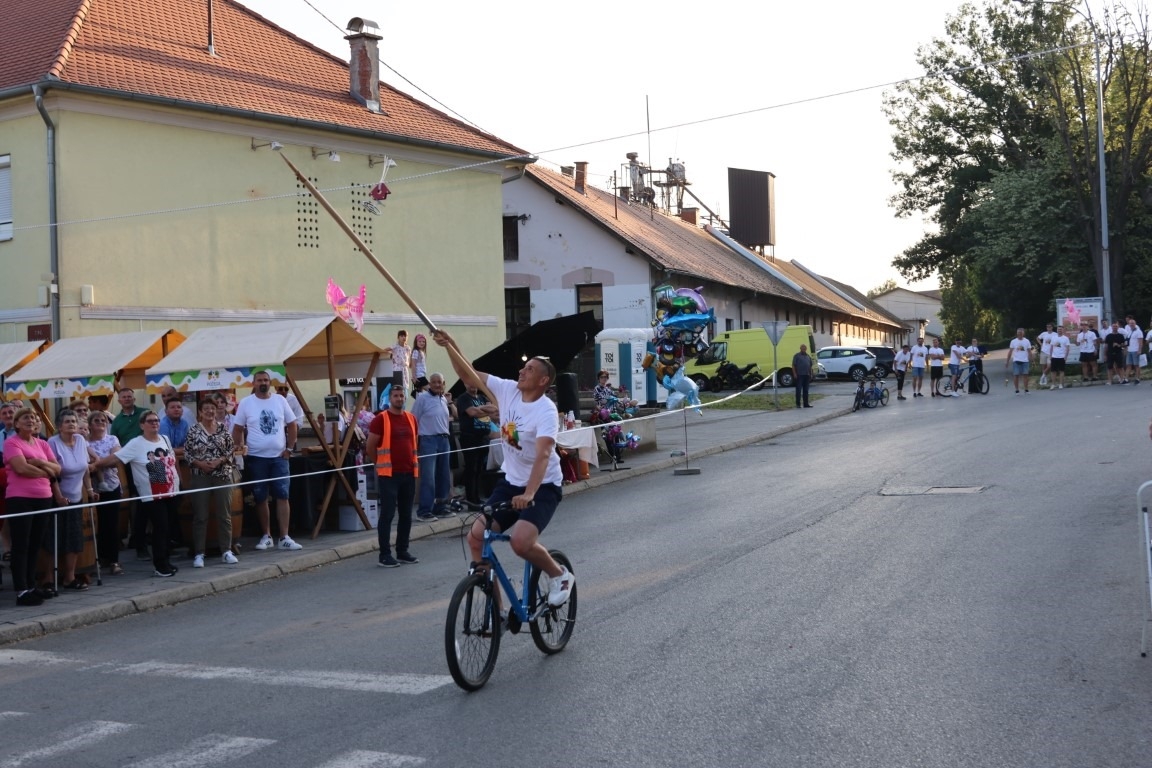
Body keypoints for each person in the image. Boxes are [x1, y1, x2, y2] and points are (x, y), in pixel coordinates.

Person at [433, 331, 574, 607]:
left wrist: (530, 493)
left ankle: (560, 575)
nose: (522, 371)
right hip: (511, 483)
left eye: (530, 369)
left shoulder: (545, 411)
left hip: (542, 486)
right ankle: (495, 609)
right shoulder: (508, 389)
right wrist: (450, 345)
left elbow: (544, 454)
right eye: (523, 367)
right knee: (475, 537)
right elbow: (468, 374)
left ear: (543, 380)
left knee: (520, 543)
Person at [93, 410, 180, 577]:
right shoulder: (136, 443)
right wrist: (96, 465)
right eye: (150, 421)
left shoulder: (165, 439)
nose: (154, 423)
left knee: (168, 528)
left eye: (156, 420)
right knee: (160, 527)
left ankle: (167, 561)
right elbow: (116, 458)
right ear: (142, 425)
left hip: (171, 490)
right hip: (152, 494)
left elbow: (172, 462)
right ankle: (160, 564)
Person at [231, 371, 302, 551]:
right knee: (260, 497)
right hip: (256, 458)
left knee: (283, 495)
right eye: (259, 380)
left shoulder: (280, 400)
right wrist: (240, 448)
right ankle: (266, 535)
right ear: (253, 383)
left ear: (270, 382)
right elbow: (237, 428)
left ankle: (284, 536)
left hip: (279, 457)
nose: (263, 383)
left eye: (266, 380)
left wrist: (290, 449)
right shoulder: (246, 403)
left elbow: (292, 424)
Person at [4, 407, 61, 605]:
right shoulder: (11, 443)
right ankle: (21, 590)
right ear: (17, 423)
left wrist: (37, 462)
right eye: (26, 417)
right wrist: (47, 472)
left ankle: (30, 584)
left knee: (36, 543)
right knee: (21, 544)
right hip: (21, 498)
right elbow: (21, 468)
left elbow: (57, 468)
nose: (31, 420)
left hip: (43, 497)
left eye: (34, 417)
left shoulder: (43, 444)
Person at [364, 386, 420, 568]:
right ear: (390, 398)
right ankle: (385, 554)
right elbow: (370, 446)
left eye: (401, 395)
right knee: (387, 514)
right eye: (395, 396)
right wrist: (378, 464)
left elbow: (414, 443)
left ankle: (402, 551)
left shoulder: (411, 419)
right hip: (389, 474)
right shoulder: (381, 419)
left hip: (408, 473)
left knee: (406, 514)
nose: (399, 398)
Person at [185, 399, 238, 567]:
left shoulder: (223, 428)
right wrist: (200, 464)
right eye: (206, 409)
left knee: (225, 514)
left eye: (212, 408)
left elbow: (231, 450)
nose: (209, 411)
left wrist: (218, 461)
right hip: (200, 475)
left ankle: (226, 551)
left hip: (222, 474)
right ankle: (199, 553)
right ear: (200, 412)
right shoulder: (193, 430)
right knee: (200, 516)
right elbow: (187, 453)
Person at [48, 408, 92, 591]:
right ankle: (49, 578)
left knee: (74, 538)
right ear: (59, 426)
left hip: (76, 496)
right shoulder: (53, 442)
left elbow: (85, 467)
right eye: (67, 422)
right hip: (57, 498)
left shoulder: (81, 440)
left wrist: (89, 488)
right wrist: (58, 495)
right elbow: (51, 472)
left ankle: (70, 577)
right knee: (54, 538)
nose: (72, 424)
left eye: (74, 421)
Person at [110, 386, 150, 560]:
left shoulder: (144, 413)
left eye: (129, 396)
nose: (127, 399)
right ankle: (138, 541)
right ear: (119, 400)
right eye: (123, 397)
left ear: (134, 399)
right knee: (139, 502)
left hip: (149, 462)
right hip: (129, 466)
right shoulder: (117, 421)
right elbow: (115, 447)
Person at [411, 372, 457, 522]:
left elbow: (453, 417)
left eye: (440, 382)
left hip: (444, 439)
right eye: (435, 382)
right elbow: (414, 419)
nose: (437, 385)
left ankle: (441, 507)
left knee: (443, 475)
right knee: (429, 477)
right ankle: (424, 510)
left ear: (444, 384)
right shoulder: (422, 399)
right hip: (428, 440)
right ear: (430, 384)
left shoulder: (443, 399)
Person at [86, 410, 123, 576]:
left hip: (112, 485)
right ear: (90, 424)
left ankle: (114, 560)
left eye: (103, 420)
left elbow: (116, 457)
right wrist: (102, 464)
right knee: (97, 525)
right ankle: (99, 558)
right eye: (96, 420)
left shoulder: (112, 439)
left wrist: (95, 465)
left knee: (111, 524)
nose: (101, 422)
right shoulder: (84, 441)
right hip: (92, 488)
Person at [456, 383, 496, 504]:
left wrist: (481, 410)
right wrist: (486, 411)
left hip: (483, 438)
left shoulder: (482, 398)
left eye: (474, 383)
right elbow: (472, 413)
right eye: (469, 383)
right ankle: (471, 499)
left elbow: (494, 409)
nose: (473, 385)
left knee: (479, 469)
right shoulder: (463, 398)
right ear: (465, 384)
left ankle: (477, 497)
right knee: (471, 469)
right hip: (470, 438)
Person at [1006, 327, 1033, 394]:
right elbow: (1010, 352)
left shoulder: (1026, 341)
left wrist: (1032, 359)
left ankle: (1026, 389)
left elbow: (1029, 351)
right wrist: (1007, 361)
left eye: (1021, 332)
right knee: (1016, 375)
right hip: (1016, 360)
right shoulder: (1013, 341)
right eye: (1018, 332)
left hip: (1025, 360)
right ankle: (1017, 389)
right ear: (1017, 333)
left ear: (1023, 333)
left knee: (1025, 375)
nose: (1020, 334)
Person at [391, 330, 412, 399]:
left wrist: (408, 364)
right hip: (397, 369)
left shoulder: (407, 348)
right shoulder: (395, 347)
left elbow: (409, 360)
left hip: (404, 370)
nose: (404, 337)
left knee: (405, 390)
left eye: (405, 336)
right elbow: (385, 350)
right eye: (402, 336)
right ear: (398, 337)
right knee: (397, 388)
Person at [1126, 315, 1143, 385]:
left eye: (1133, 323)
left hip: (1135, 350)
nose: (1131, 324)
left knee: (1136, 365)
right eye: (1130, 323)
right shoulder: (1129, 331)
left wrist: (1139, 350)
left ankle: (1137, 378)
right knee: (1128, 365)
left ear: (1135, 324)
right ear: (1129, 324)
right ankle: (1126, 379)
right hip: (1129, 350)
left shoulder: (1138, 331)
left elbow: (1140, 342)